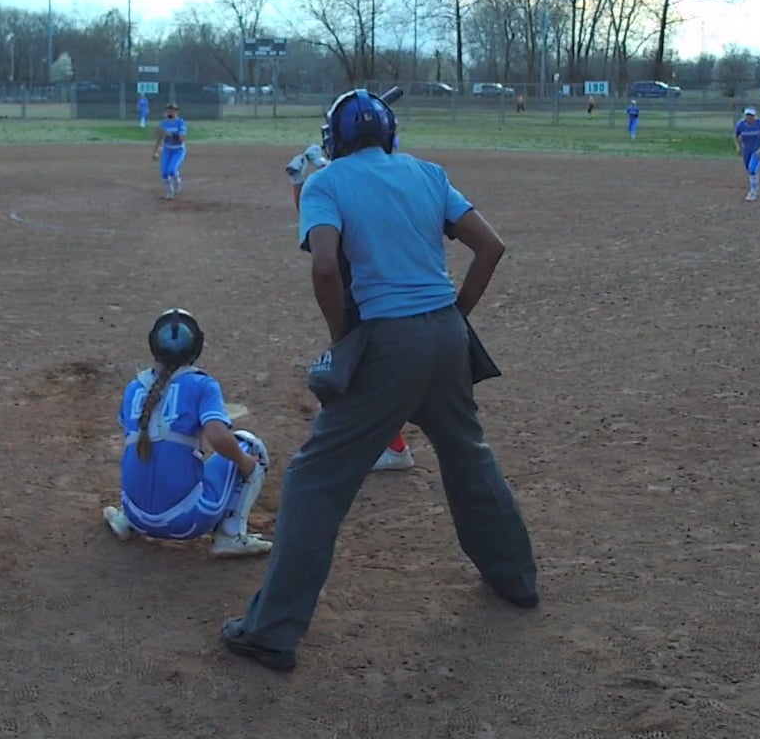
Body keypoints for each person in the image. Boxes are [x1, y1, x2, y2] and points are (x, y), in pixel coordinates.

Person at [221, 89, 538, 672]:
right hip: (447, 336)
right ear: (389, 133)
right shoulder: (428, 173)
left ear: (335, 137)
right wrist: (455, 314)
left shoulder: (327, 183)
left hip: (387, 342)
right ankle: (516, 578)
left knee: (315, 480)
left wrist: (345, 339)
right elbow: (490, 247)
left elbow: (324, 267)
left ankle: (271, 632)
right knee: (468, 456)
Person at [284, 140, 415, 473]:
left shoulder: (361, 181)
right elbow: (316, 218)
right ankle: (392, 445)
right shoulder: (368, 179)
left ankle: (384, 446)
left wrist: (318, 166)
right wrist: (300, 180)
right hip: (370, 292)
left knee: (357, 372)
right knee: (362, 372)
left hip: (371, 295)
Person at [101, 309, 272, 558]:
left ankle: (126, 519)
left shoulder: (134, 387)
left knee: (146, 446)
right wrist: (244, 462)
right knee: (251, 446)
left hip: (137, 516)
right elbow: (218, 437)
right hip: (187, 522)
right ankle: (231, 535)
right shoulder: (202, 384)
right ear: (197, 346)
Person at [151, 102, 187, 199]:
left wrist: (168, 133)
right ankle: (169, 190)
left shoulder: (180, 123)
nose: (170, 112)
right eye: (169, 110)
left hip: (178, 150)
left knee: (172, 170)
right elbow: (159, 139)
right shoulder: (163, 124)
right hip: (167, 150)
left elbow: (182, 138)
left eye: (173, 110)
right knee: (164, 173)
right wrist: (155, 152)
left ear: (177, 112)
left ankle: (177, 182)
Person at [735, 106, 760, 202]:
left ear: (755, 116)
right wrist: (738, 146)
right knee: (750, 170)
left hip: (758, 150)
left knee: (752, 169)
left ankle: (753, 192)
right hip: (746, 150)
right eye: (747, 115)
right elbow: (736, 135)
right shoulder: (740, 125)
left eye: (751, 115)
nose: (749, 117)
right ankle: (755, 188)